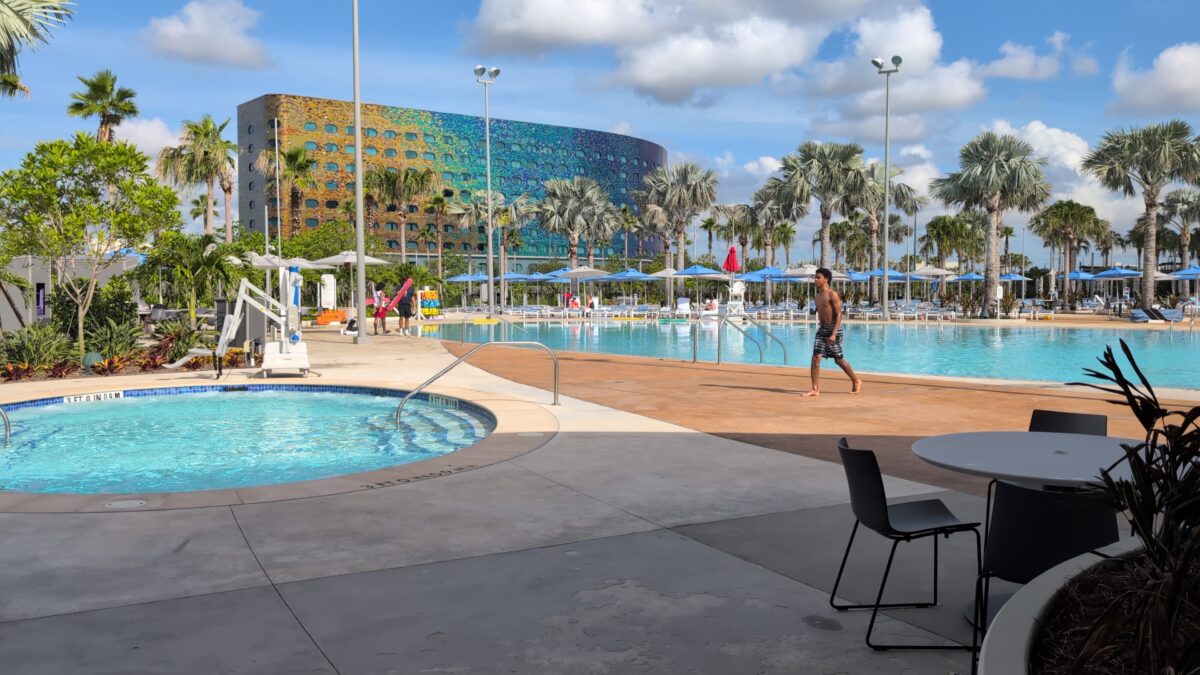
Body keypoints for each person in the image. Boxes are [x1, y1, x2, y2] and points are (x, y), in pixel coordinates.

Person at [805, 267, 862, 396]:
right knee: (816, 357)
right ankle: (815, 388)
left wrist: (834, 333)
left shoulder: (832, 294)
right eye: (815, 277)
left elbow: (839, 314)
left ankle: (856, 380)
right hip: (822, 330)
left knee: (838, 359)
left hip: (834, 329)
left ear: (826, 279)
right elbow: (822, 314)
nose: (815, 279)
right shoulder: (817, 297)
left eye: (818, 277)